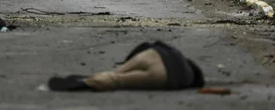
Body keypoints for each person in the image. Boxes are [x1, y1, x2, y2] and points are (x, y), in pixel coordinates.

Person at [48, 40, 204, 92]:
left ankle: (102, 75)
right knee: (118, 81)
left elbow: (145, 45)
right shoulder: (188, 78)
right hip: (164, 76)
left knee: (116, 73)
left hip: (152, 54)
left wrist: (127, 62)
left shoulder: (177, 54)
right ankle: (87, 83)